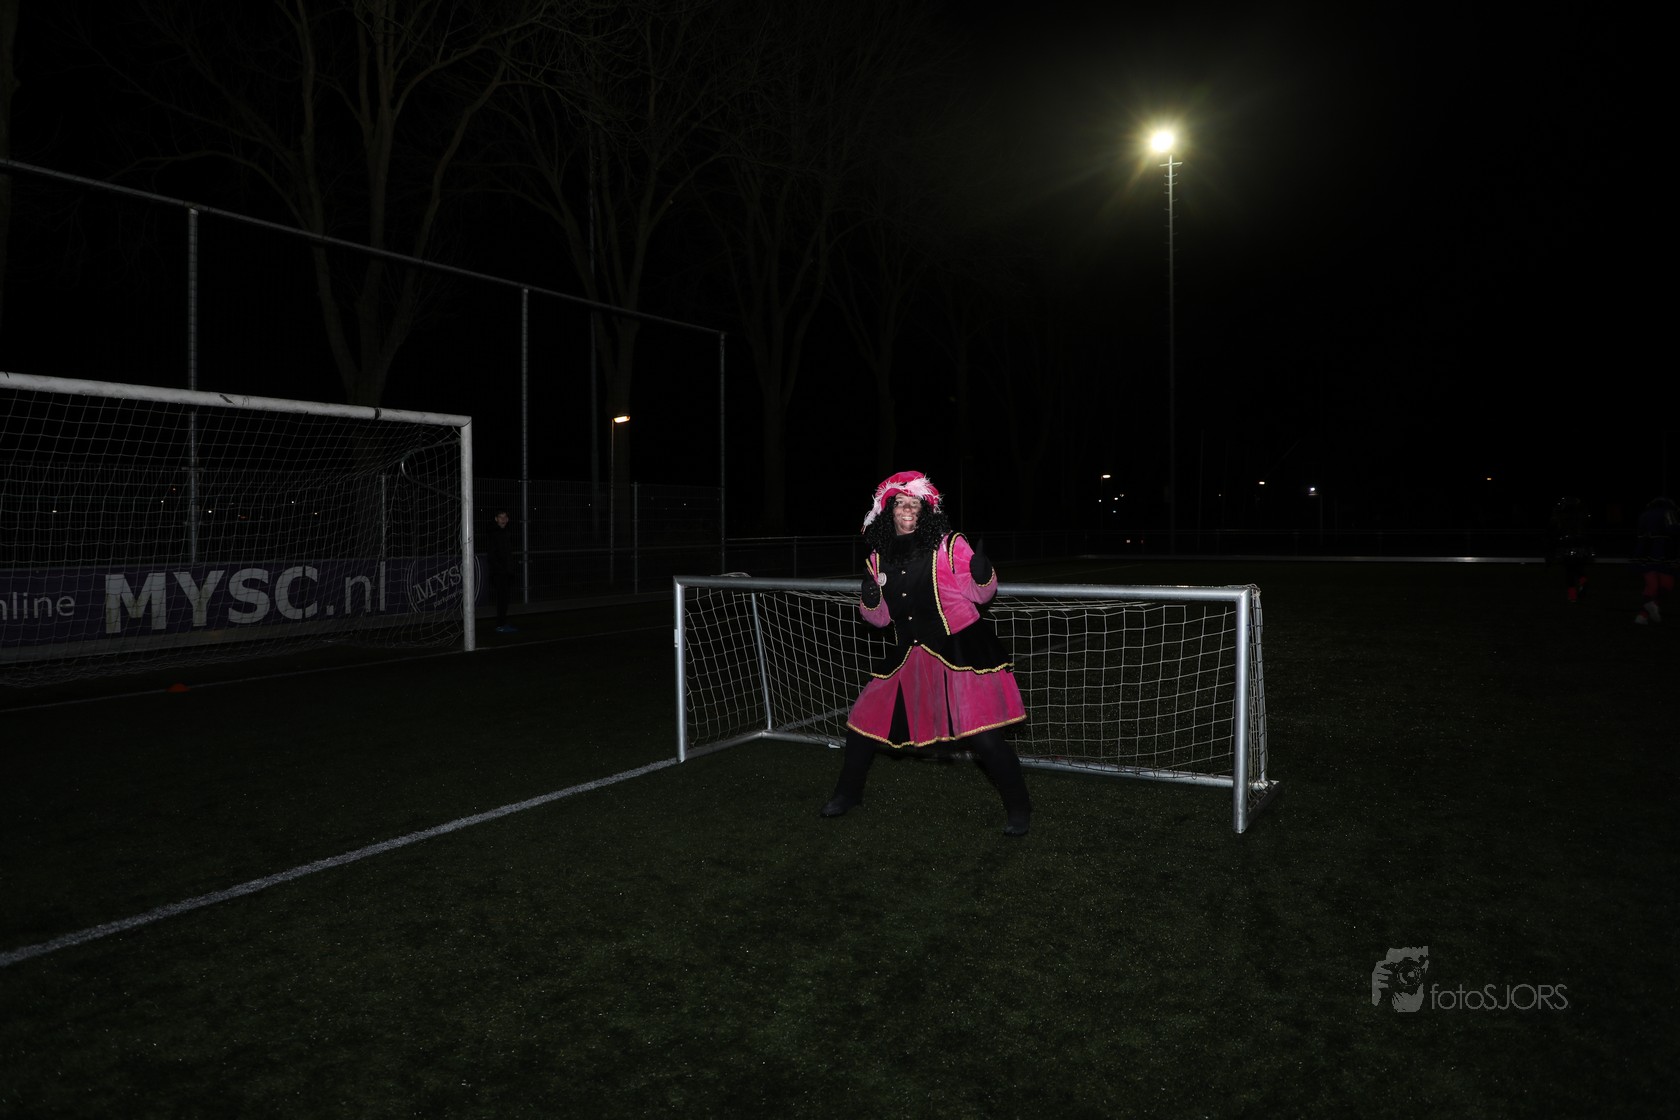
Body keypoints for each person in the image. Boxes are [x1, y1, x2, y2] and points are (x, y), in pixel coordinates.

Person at [820, 470, 1033, 836]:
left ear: (926, 510)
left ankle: (1019, 808)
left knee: (983, 737)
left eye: (914, 504)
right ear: (888, 512)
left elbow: (979, 594)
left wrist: (983, 575)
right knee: (862, 722)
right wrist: (869, 601)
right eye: (900, 504)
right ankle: (847, 794)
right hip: (910, 653)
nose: (907, 510)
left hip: (959, 649)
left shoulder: (949, 545)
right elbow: (880, 619)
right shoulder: (877, 558)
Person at [1633, 496, 1677, 625]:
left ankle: (1643, 615)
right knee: (1667, 584)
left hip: (1644, 553)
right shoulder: (1668, 513)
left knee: (1651, 585)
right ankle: (1648, 608)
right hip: (1663, 552)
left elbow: (1640, 533)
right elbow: (1673, 530)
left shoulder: (1644, 515)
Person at [1547, 495, 1592, 603]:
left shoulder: (1561, 515)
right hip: (1580, 545)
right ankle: (1582, 580)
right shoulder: (1581, 515)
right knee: (1578, 566)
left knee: (1569, 570)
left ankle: (1572, 595)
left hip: (1567, 545)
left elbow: (1554, 529)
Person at [488, 508, 517, 633]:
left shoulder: (506, 533)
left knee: (504, 599)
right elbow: (492, 555)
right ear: (496, 519)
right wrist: (501, 570)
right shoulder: (495, 533)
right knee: (502, 599)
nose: (503, 519)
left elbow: (507, 554)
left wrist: (510, 569)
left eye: (505, 517)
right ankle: (500, 625)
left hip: (505, 572)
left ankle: (502, 623)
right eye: (500, 517)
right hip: (500, 573)